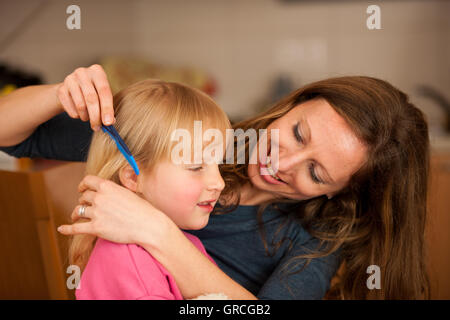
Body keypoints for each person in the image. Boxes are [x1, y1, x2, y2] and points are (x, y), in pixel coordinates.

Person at [0, 64, 430, 299]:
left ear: (339, 191)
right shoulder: (202, 134)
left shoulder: (315, 238)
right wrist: (61, 93)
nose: (282, 162)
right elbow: (10, 135)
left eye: (316, 173)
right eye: (297, 133)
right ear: (291, 105)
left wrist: (157, 233)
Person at [70, 78, 231, 299]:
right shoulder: (130, 266)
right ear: (133, 177)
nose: (219, 183)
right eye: (196, 167)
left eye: (218, 164)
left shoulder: (181, 244)